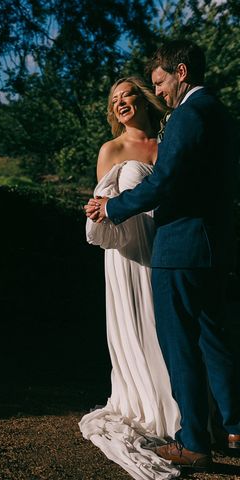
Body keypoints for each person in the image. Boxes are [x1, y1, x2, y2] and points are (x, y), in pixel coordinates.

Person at [85, 40, 240, 472]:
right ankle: (234, 426)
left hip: (179, 246)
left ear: (182, 72)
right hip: (213, 244)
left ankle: (193, 443)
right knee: (214, 339)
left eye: (160, 81)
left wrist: (114, 207)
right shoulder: (223, 115)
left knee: (180, 346)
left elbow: (166, 182)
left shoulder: (189, 115)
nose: (161, 91)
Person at [79, 76, 183, 480]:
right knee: (142, 327)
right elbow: (104, 203)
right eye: (115, 100)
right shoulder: (112, 149)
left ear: (143, 100)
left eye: (128, 96)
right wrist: (96, 209)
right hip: (128, 254)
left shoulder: (167, 143)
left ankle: (182, 410)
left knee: (171, 329)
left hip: (167, 246)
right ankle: (147, 404)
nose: (121, 103)